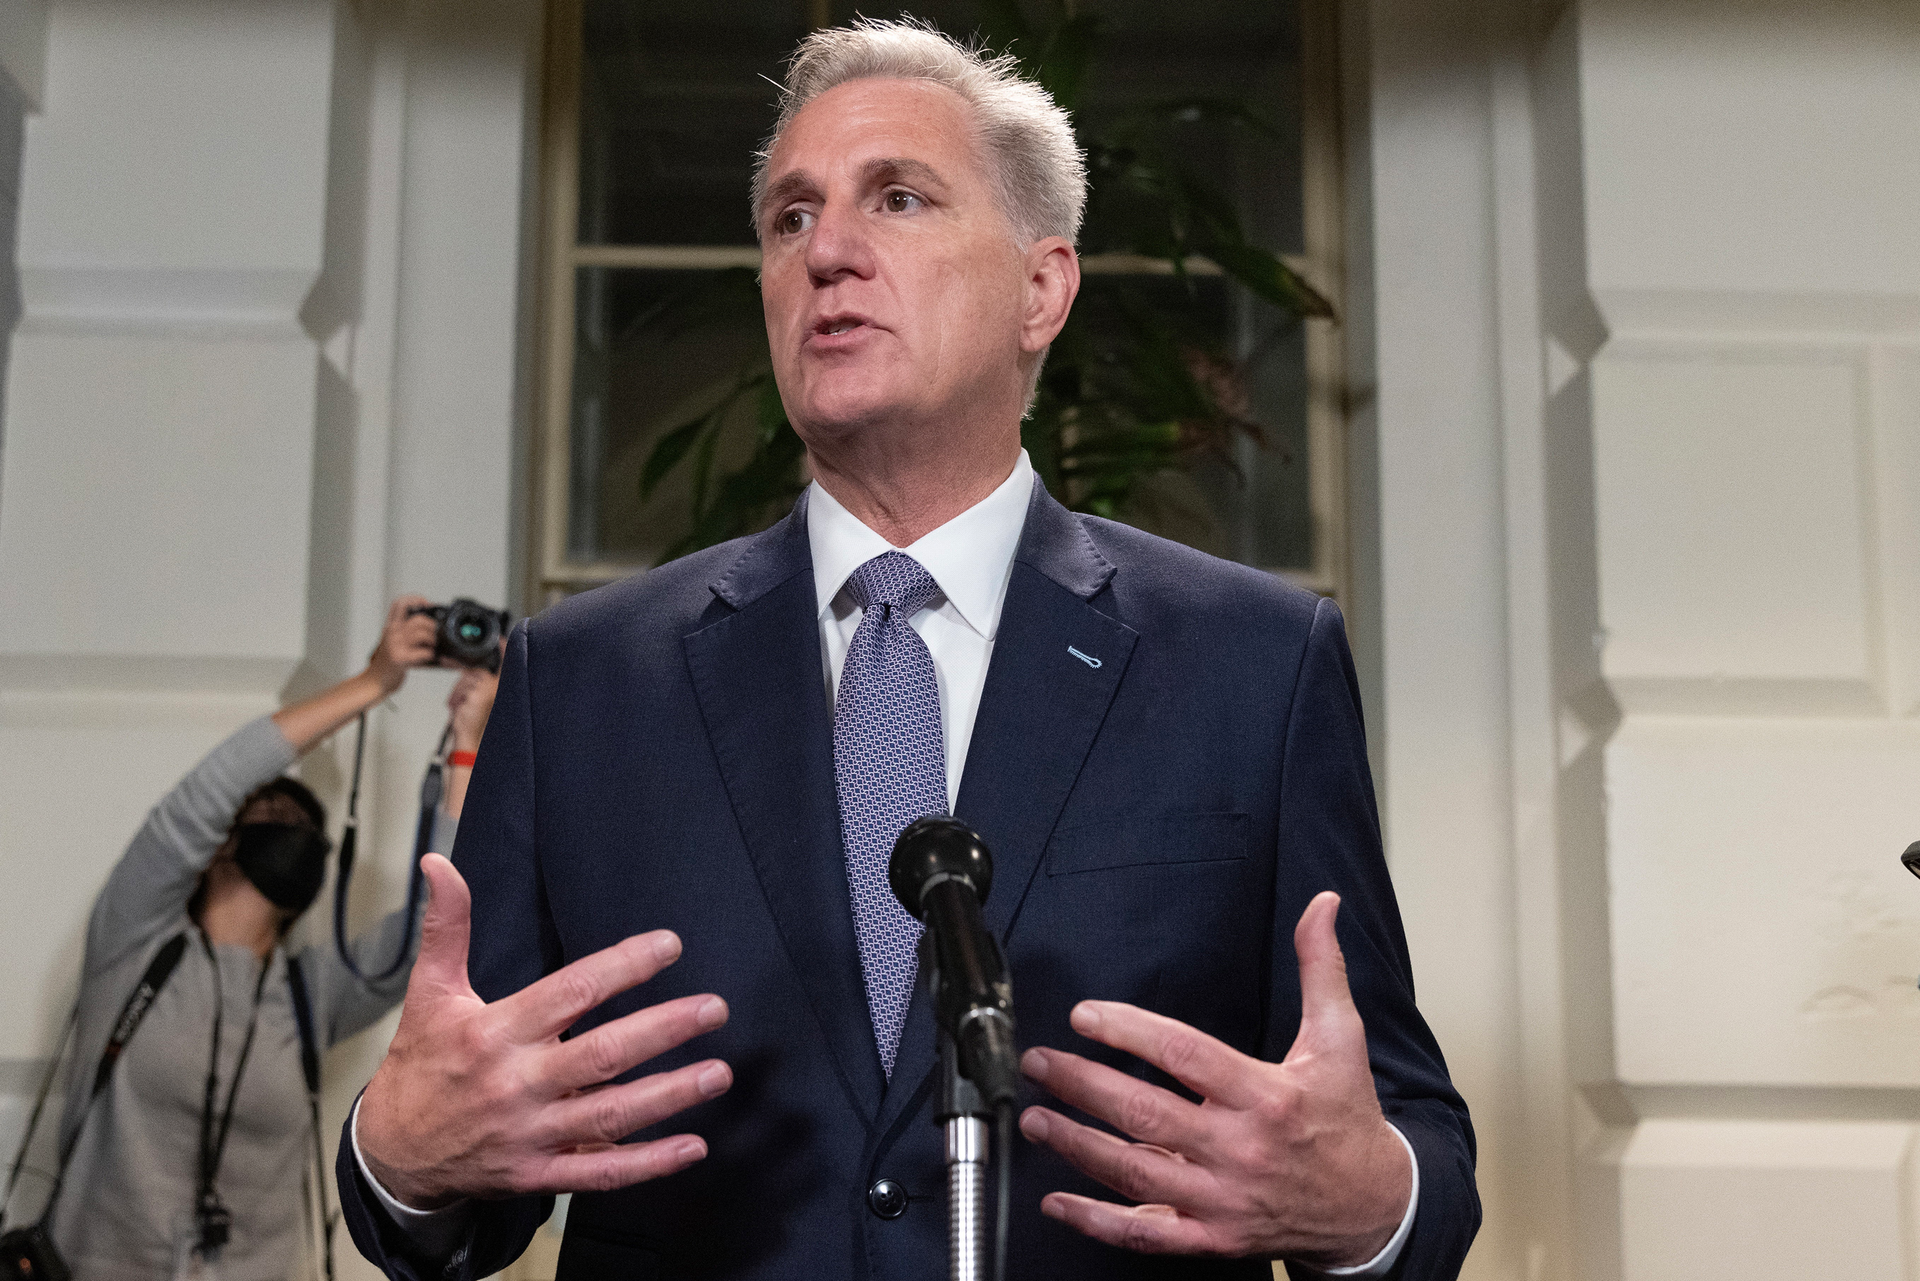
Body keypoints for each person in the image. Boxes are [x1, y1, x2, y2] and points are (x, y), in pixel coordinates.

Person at [343, 21, 1479, 1280]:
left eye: (898, 198)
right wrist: (400, 1155)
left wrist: (1369, 1204)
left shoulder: (1254, 665)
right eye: (789, 219)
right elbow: (466, 1180)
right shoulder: (587, 680)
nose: (827, 250)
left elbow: (1407, 1145)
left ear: (1041, 290)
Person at [40, 597, 499, 1279]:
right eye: (273, 810)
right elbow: (213, 784)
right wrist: (374, 683)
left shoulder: (313, 990)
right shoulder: (134, 941)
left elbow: (436, 925)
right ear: (220, 842)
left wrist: (467, 745)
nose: (295, 827)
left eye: (310, 825)